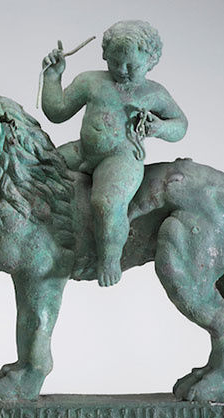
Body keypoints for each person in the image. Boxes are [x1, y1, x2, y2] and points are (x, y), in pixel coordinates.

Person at [41, 20, 187, 287]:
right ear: (105, 55)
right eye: (115, 63)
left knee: (107, 203)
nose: (122, 70)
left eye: (132, 66)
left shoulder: (154, 93)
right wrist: (52, 77)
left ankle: (109, 257)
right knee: (40, 169)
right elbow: (57, 111)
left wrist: (159, 127)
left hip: (121, 157)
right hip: (83, 150)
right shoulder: (91, 81)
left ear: (150, 61)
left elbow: (180, 125)